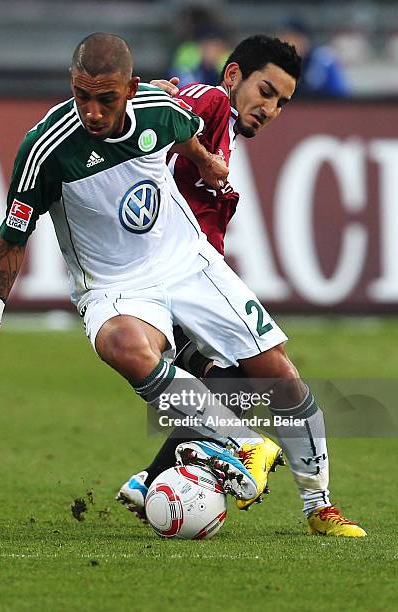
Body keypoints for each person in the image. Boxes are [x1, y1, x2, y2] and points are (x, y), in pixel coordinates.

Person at [118, 35, 366, 537]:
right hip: (163, 274)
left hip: (183, 275)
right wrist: (151, 96)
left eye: (282, 102)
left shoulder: (224, 127)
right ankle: (316, 504)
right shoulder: (210, 101)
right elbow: (158, 114)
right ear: (233, 76)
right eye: (266, 91)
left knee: (234, 378)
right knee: (270, 374)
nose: (271, 109)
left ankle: (153, 479)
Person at [277, 19, 351, 98]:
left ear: (304, 39)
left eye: (292, 38)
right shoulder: (279, 65)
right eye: (284, 39)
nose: (287, 44)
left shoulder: (323, 60)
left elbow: (341, 93)